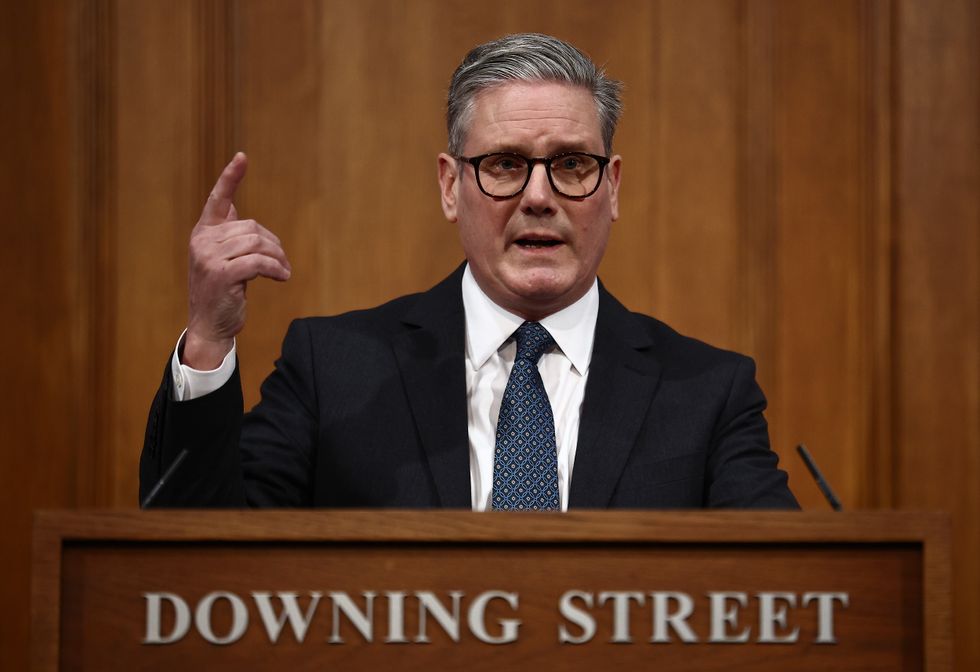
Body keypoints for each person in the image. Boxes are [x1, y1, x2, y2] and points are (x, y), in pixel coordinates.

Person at [140, 33, 798, 510]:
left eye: (571, 165)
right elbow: (199, 566)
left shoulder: (709, 394)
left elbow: (786, 596)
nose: (539, 196)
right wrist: (207, 340)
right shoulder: (335, 371)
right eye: (506, 164)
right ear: (451, 186)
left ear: (613, 186)